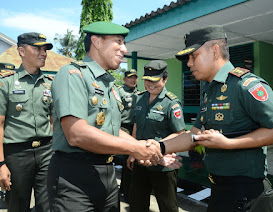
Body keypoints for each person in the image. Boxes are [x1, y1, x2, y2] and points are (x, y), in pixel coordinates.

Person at [158, 25, 273, 212]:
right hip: (220, 190)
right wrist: (158, 147)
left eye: (193, 56)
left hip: (247, 196)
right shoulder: (210, 91)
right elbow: (193, 135)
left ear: (214, 51)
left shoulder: (245, 85)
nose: (189, 63)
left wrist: (228, 144)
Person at [47, 21, 174, 212]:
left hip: (107, 175)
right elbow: (76, 133)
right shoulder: (73, 75)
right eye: (119, 42)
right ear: (97, 42)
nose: (124, 49)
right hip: (74, 178)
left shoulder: (109, 85)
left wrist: (143, 149)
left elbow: (112, 130)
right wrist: (135, 147)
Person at [0, 32, 54, 211]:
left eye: (45, 49)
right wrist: (1, 164)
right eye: (37, 48)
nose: (43, 53)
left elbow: (54, 121)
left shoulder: (49, 84)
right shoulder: (6, 83)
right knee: (17, 206)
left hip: (47, 151)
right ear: (21, 51)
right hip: (17, 154)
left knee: (47, 206)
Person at [129, 60, 185, 212]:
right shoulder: (140, 98)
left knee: (168, 207)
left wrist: (157, 149)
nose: (150, 84)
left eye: (155, 80)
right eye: (147, 80)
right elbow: (136, 125)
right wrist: (132, 152)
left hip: (163, 165)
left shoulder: (171, 103)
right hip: (141, 162)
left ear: (165, 79)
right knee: (137, 204)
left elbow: (179, 133)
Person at [118, 69, 139, 202]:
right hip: (124, 128)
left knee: (134, 160)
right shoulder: (120, 92)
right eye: (130, 78)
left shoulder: (139, 93)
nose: (133, 80)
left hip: (136, 128)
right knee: (128, 160)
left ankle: (130, 188)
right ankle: (125, 190)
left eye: (135, 78)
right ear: (125, 79)